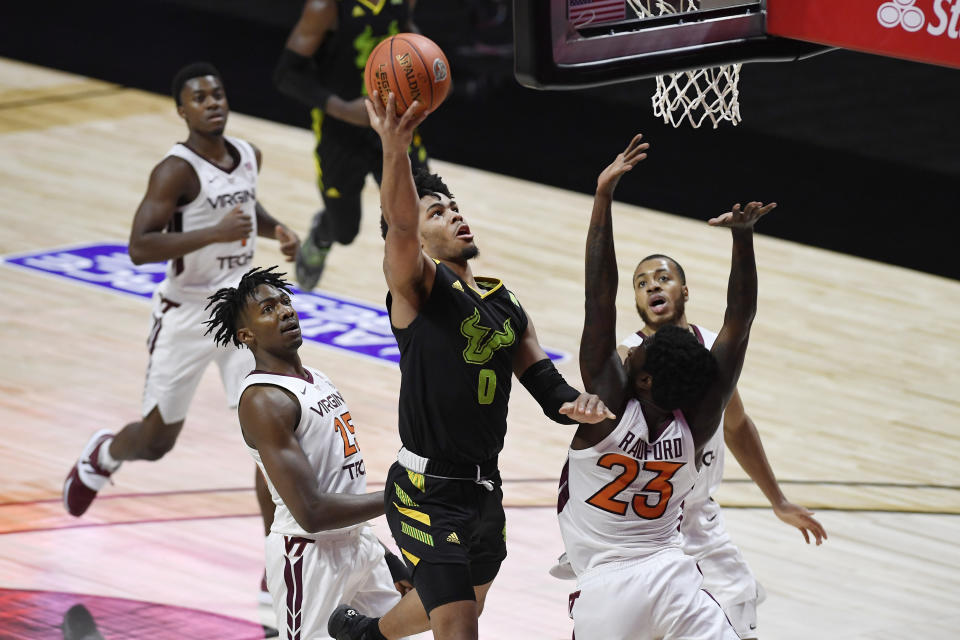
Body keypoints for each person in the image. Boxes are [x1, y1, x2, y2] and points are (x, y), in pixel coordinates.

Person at [324, 92, 614, 640]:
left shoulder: (507, 303)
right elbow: (401, 226)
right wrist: (395, 148)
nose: (453, 214)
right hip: (424, 488)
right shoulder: (420, 289)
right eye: (437, 211)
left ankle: (365, 636)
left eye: (454, 207)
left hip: (484, 490)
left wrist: (574, 403)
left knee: (458, 607)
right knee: (457, 626)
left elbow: (544, 383)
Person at [62, 63, 299, 575]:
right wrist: (212, 234)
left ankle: (275, 561)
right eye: (200, 97)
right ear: (182, 110)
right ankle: (103, 455)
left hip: (240, 311)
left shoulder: (249, 155)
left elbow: (243, 203)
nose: (212, 102)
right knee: (156, 442)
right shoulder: (174, 171)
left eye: (218, 93)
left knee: (269, 434)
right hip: (187, 314)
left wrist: (275, 226)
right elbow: (139, 246)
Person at [557, 133, 776, 640]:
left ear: (645, 376)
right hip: (671, 570)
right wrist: (743, 240)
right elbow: (739, 325)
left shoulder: (606, 410)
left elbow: (597, 299)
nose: (629, 350)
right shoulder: (698, 418)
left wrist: (603, 197)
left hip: (612, 580)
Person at [204, 266, 412, 640]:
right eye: (268, 308)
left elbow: (340, 490)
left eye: (285, 301)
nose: (285, 311)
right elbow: (312, 513)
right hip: (309, 556)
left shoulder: (316, 378)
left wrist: (385, 555)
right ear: (246, 335)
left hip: (358, 545)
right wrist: (399, 495)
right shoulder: (264, 400)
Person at [274, 0, 429, 290]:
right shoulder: (325, 7)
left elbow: (404, 31)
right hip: (340, 130)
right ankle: (323, 233)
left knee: (422, 206)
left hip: (392, 124)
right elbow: (286, 74)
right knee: (345, 231)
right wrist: (343, 108)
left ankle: (421, 295)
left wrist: (427, 62)